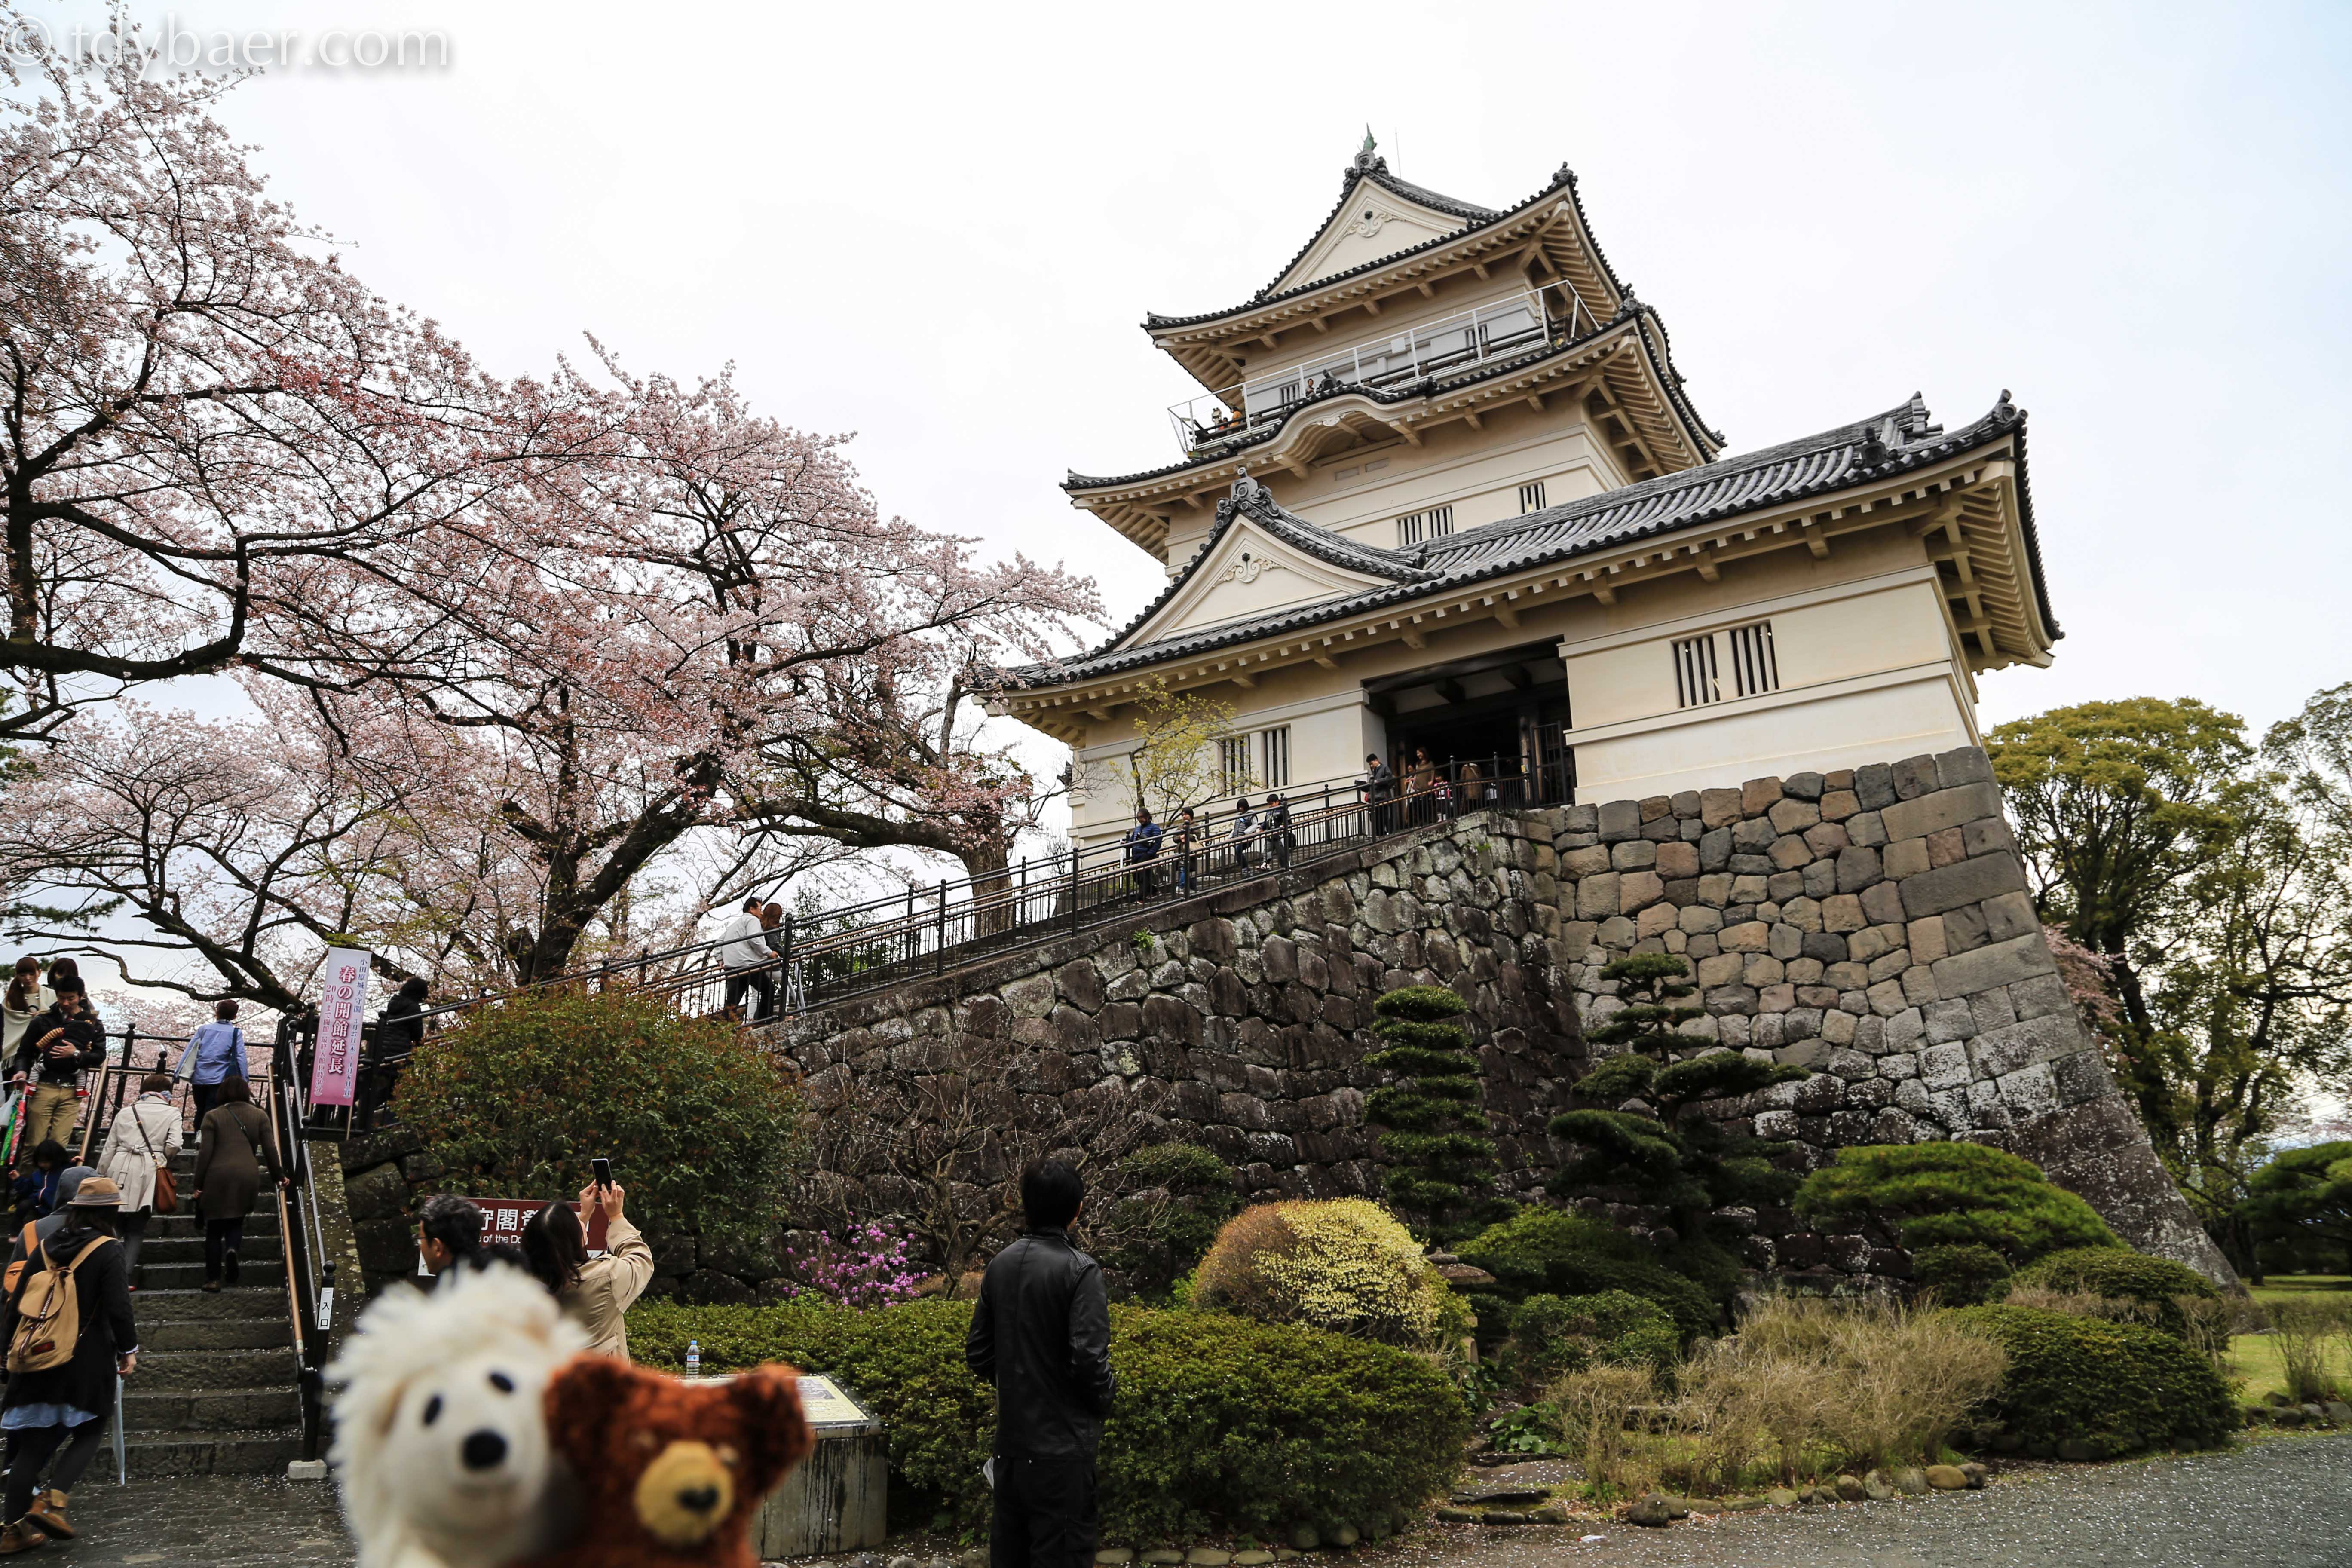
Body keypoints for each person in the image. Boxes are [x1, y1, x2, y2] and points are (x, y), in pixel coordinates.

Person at [965, 1161, 1115, 1568]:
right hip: (1062, 1455)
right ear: (1077, 1210)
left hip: (1011, 1453)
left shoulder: (999, 1265)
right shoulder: (1081, 1270)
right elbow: (1089, 1360)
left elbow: (978, 1353)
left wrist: (1020, 1379)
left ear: (1025, 1205)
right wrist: (1103, 1401)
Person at [0, 1175, 136, 1552]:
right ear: (111, 1212)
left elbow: (16, 1304)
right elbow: (119, 1307)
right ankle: (52, 1503)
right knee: (91, 1428)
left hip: (36, 1355)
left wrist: (7, 1350)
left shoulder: (45, 1246)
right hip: (84, 1358)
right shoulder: (109, 1249)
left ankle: (11, 1532)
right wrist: (129, 1349)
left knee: (31, 1447)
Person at [520, 1181, 656, 1361]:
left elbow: (557, 1249)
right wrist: (616, 1216)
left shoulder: (525, 1284)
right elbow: (640, 1259)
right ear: (579, 1239)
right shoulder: (605, 1277)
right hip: (598, 1376)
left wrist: (584, 1216)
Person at [189, 1077, 284, 1292]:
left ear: (222, 1093)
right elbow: (270, 1149)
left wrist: (198, 1183)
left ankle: (214, 1280)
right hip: (247, 1174)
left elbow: (205, 1154)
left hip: (217, 1174)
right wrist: (278, 1176)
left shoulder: (212, 1116)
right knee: (236, 1221)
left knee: (214, 1230)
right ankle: (232, 1249)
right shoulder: (260, 1115)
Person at [95, 1072, 181, 1286]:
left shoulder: (126, 1112)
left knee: (113, 1223)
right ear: (166, 1093)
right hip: (148, 1170)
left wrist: (101, 1173)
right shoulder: (172, 1113)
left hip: (119, 1166)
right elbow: (175, 1144)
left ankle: (100, 1270)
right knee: (136, 1228)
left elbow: (110, 1147)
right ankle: (122, 1278)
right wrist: (163, 1157)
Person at [11, 980, 104, 1158]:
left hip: (72, 1088)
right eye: (61, 998)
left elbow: (99, 1056)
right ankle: (27, 1176)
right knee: (34, 1144)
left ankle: (53, 1177)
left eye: (71, 998)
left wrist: (76, 1054)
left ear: (81, 996)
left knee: (59, 1146)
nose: (66, 1003)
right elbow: (24, 1052)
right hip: (43, 1085)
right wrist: (22, 1071)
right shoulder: (43, 1020)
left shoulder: (94, 1024)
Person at [175, 998, 251, 1126]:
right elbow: (240, 1056)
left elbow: (190, 1051)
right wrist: (244, 1078)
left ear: (217, 1013)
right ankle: (206, 1133)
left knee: (200, 1108)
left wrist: (178, 1073)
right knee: (212, 1108)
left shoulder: (204, 1029)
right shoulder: (235, 1033)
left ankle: (198, 1132)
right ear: (235, 1016)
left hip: (199, 1077)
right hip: (219, 1078)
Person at [716, 897, 774, 1022]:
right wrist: (769, 953)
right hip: (748, 965)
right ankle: (763, 1020)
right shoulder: (753, 920)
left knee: (733, 1001)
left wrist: (720, 959)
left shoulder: (735, 925)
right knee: (768, 989)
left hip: (732, 966)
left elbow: (719, 942)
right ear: (752, 909)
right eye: (760, 909)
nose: (762, 913)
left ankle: (725, 1027)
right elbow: (754, 939)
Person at [416, 1192, 491, 1285]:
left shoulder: (452, 1291)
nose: (420, 1247)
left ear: (437, 1247)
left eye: (421, 1239)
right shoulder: (498, 1276)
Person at [0, 961, 52, 1066]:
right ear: (17, 976)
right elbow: (7, 1028)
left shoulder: (52, 995)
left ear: (39, 972)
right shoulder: (10, 1000)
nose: (28, 978)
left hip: (46, 1054)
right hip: (16, 1057)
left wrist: (44, 1017)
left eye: (32, 974)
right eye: (23, 975)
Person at [8, 1144, 69, 1230]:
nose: (43, 1165)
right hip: (38, 1205)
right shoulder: (37, 1174)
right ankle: (15, 1232)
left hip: (54, 1206)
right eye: (40, 1162)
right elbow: (27, 1189)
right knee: (23, 1206)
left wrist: (75, 1162)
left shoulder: (63, 1171)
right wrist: (18, 1179)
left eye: (46, 1162)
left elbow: (73, 1174)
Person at [1122, 809, 1163, 900]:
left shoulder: (1154, 828)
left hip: (1146, 855)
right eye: (1139, 818)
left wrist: (1150, 854)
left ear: (1148, 817)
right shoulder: (1137, 829)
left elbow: (1157, 843)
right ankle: (1154, 891)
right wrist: (1125, 844)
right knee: (1136, 877)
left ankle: (1141, 898)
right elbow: (1132, 842)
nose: (1141, 820)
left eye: (1142, 817)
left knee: (1143, 877)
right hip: (1136, 855)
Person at [1362, 753, 1396, 834]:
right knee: (1377, 817)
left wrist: (1378, 781)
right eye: (1370, 764)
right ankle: (1380, 833)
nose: (1371, 766)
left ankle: (1389, 832)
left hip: (1383, 796)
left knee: (1385, 816)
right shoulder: (1374, 772)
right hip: (1376, 797)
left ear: (1376, 760)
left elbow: (1389, 778)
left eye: (1372, 763)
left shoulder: (1384, 768)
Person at [1261, 793, 1293, 870]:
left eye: (1272, 804)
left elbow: (1288, 820)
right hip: (1270, 835)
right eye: (1269, 804)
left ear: (1277, 802)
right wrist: (1262, 828)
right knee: (1267, 850)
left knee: (1282, 852)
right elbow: (1266, 821)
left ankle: (1285, 866)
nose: (1270, 806)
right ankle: (1265, 863)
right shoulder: (1269, 812)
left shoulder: (1282, 810)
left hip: (1279, 835)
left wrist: (1283, 826)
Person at [1227, 797, 1259, 873]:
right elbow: (1236, 828)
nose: (1240, 809)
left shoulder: (1251, 814)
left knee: (1238, 851)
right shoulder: (1239, 817)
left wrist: (1246, 832)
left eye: (1242, 807)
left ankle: (1245, 867)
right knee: (1238, 852)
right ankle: (1244, 868)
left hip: (1245, 837)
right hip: (1237, 838)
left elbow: (1255, 825)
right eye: (1239, 807)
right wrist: (1230, 836)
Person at [1170, 807, 1197, 894]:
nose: (1184, 816)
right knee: (1184, 869)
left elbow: (1197, 836)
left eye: (1186, 814)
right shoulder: (1181, 826)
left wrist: (1187, 836)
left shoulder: (1195, 825)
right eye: (1183, 815)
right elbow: (1175, 838)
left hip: (1190, 851)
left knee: (1184, 869)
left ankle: (1181, 886)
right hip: (1180, 851)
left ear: (1191, 815)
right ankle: (1192, 887)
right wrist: (1181, 837)